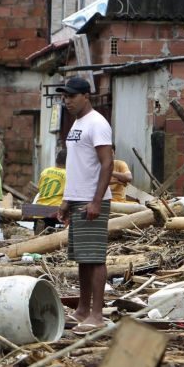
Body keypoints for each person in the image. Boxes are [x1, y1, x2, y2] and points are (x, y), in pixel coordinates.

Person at [56, 77, 114, 335]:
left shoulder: (97, 123)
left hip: (92, 199)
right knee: (82, 258)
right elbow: (77, 165)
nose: (67, 101)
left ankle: (97, 315)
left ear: (85, 96)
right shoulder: (77, 124)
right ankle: (81, 310)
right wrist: (68, 199)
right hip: (79, 198)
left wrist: (96, 200)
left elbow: (107, 163)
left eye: (71, 96)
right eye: (65, 97)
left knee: (95, 257)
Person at [33, 148, 67, 228]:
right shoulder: (67, 174)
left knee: (39, 237)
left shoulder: (45, 171)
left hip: (39, 211)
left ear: (56, 160)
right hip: (56, 212)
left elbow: (40, 189)